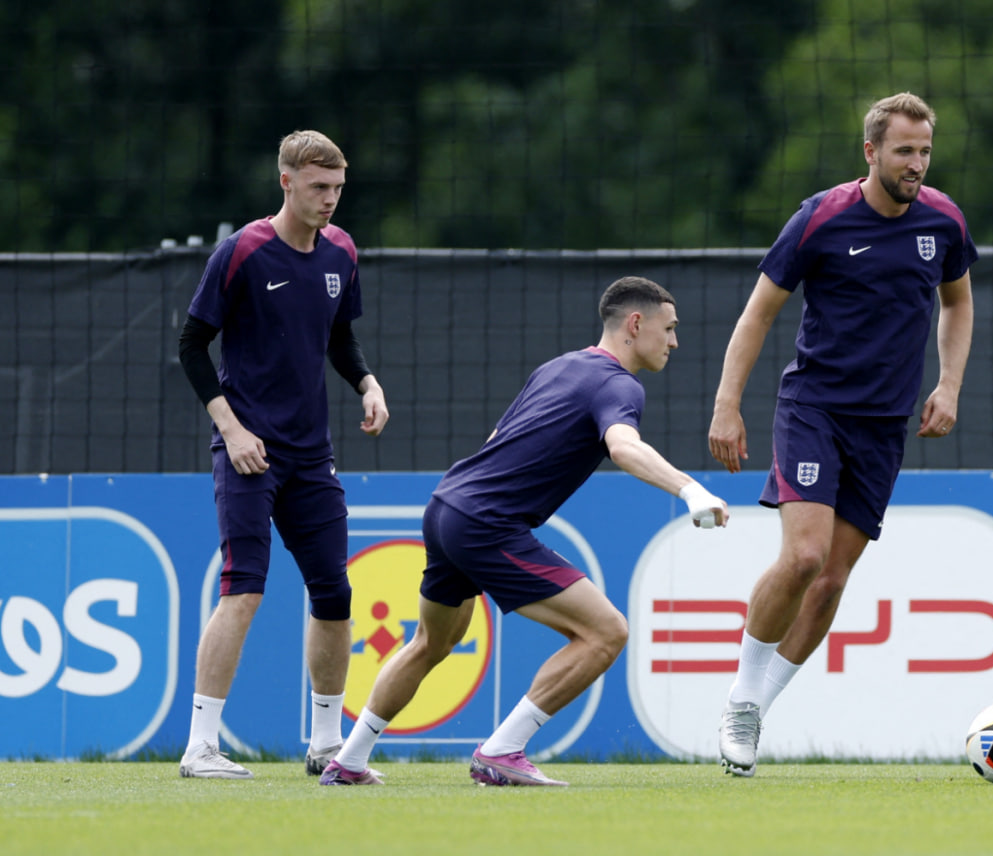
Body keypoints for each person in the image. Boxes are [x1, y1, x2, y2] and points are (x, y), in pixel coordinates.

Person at [319, 276, 728, 786]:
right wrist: (692, 490)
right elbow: (622, 446)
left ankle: (349, 762)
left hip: (445, 506)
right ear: (635, 324)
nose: (674, 342)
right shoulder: (621, 384)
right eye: (668, 329)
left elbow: (496, 438)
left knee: (430, 642)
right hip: (484, 523)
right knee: (606, 632)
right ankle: (502, 750)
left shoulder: (560, 365)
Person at [707, 92, 976, 777]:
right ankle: (740, 700)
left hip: (884, 427)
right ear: (871, 152)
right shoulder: (821, 218)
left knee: (830, 580)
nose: (916, 164)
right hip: (814, 410)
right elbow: (757, 314)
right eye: (903, 151)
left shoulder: (942, 221)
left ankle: (758, 710)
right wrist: (726, 405)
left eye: (924, 151)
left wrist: (948, 383)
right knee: (802, 558)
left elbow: (958, 299)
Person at [175, 130, 390, 779]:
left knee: (334, 592)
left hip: (312, 455)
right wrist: (232, 430)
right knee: (243, 590)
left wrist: (367, 382)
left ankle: (326, 745)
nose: (329, 200)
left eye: (337, 189)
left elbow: (339, 338)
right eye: (318, 187)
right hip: (248, 452)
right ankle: (200, 747)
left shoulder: (342, 252)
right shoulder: (242, 251)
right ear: (286, 182)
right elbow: (191, 347)